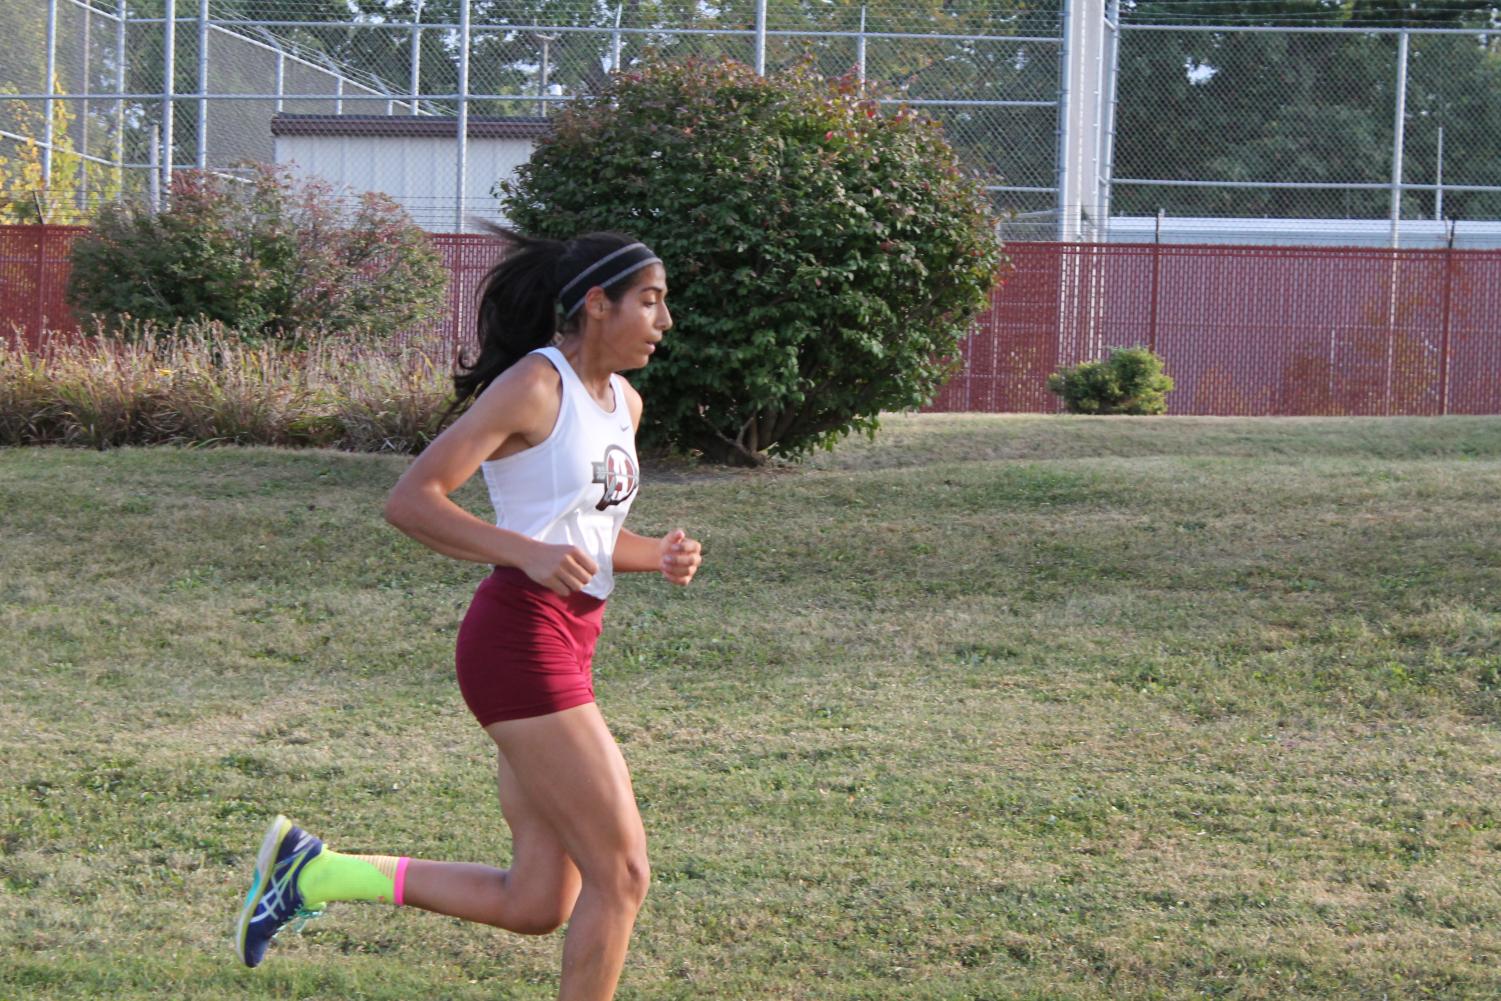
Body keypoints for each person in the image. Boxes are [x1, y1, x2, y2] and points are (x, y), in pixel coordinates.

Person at [234, 228, 703, 1001]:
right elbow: (412, 499)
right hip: (520, 641)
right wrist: (522, 552)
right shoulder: (533, 385)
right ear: (596, 303)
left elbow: (586, 534)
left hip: (570, 638)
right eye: (649, 300)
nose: (665, 319)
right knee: (620, 874)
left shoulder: (625, 401)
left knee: (536, 900)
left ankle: (313, 869)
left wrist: (656, 553)